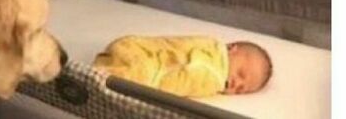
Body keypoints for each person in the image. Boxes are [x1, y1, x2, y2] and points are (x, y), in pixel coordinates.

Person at [94, 36, 272, 97]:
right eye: (241, 73)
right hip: (145, 55)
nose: (237, 84)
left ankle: (100, 73)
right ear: (232, 49)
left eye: (243, 89)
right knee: (140, 66)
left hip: (150, 75)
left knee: (137, 79)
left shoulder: (212, 86)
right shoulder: (213, 49)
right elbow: (177, 46)